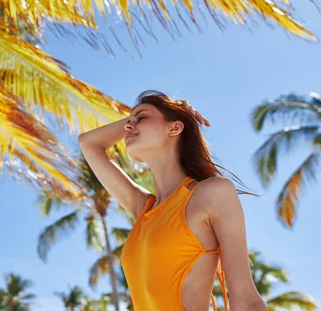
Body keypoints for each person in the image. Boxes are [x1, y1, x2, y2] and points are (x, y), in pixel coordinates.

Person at [78, 90, 268, 311]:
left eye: (142, 118)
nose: (129, 127)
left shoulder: (212, 193)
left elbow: (246, 300)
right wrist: (135, 120)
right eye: (128, 123)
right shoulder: (144, 209)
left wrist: (172, 110)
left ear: (175, 128)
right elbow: (88, 142)